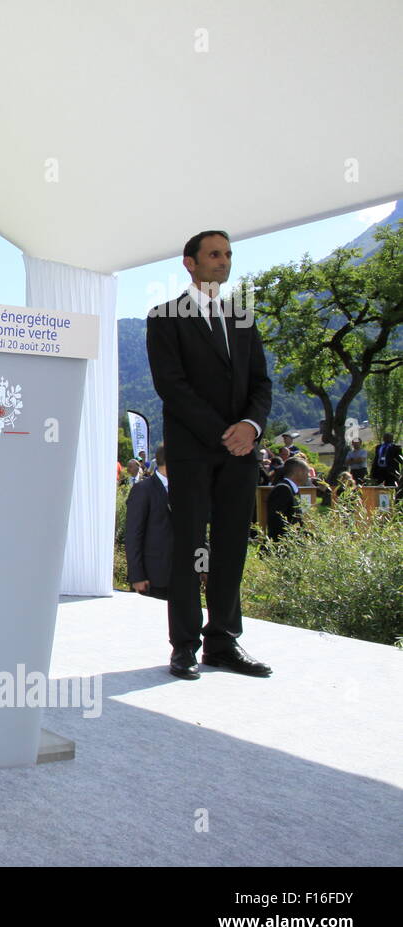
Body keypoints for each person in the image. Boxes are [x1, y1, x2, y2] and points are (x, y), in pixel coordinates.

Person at [145, 230, 272, 680]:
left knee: (232, 547)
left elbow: (261, 383)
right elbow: (172, 387)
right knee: (190, 549)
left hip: (241, 454)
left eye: (228, 254)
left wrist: (251, 428)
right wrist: (225, 433)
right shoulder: (165, 317)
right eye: (214, 254)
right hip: (193, 453)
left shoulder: (243, 317)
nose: (224, 261)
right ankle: (184, 647)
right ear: (190, 263)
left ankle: (223, 643)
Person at [126, 444, 171, 600]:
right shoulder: (142, 490)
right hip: (153, 578)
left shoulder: (188, 490)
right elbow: (133, 536)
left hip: (184, 576)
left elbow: (199, 531)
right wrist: (136, 576)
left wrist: (202, 567)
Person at [266, 457, 309, 544]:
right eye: (306, 472)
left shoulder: (293, 490)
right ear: (298, 471)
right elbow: (277, 520)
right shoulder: (282, 489)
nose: (308, 475)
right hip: (281, 546)